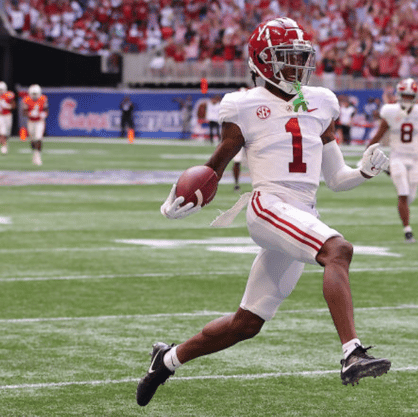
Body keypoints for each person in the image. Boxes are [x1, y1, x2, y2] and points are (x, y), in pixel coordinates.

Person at [137, 17, 392, 408]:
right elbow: (214, 169)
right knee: (338, 250)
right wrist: (179, 197)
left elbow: (337, 179)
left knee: (246, 323)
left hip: (302, 212)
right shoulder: (244, 104)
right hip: (269, 205)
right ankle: (352, 353)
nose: (296, 66)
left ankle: (167, 360)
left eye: (299, 57)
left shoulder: (321, 101)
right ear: (262, 62)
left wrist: (365, 171)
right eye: (286, 58)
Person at [365, 78, 418, 243]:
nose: (407, 99)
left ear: (415, 96)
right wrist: (368, 152)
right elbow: (379, 135)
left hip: (414, 159)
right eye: (405, 95)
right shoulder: (391, 111)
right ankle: (408, 231)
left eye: (410, 96)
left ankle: (389, 171)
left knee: (410, 197)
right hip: (398, 157)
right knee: (402, 193)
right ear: (399, 95)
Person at [22, 84, 48, 166]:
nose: (34, 96)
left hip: (40, 121)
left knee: (38, 138)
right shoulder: (26, 99)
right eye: (33, 94)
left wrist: (44, 114)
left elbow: (46, 110)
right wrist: (30, 113)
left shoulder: (43, 99)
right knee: (33, 140)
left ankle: (38, 156)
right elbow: (24, 112)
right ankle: (35, 154)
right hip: (31, 122)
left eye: (35, 94)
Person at [0, 81, 15, 154]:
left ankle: (5, 142)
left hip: (8, 115)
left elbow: (14, 105)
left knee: (7, 133)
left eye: (2, 90)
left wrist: (8, 106)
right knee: (2, 132)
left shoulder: (9, 95)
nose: (0, 91)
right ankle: (3, 146)